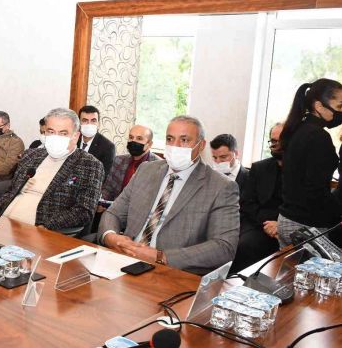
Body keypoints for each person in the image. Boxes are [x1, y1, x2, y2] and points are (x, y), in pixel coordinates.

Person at [97, 115, 240, 275]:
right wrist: (111, 237)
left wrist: (161, 257)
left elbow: (224, 247)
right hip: (125, 259)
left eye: (184, 140)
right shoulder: (146, 170)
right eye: (170, 139)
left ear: (201, 145)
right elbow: (113, 213)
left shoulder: (221, 187)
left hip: (171, 271)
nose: (175, 146)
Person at [0, 108, 104, 232]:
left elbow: (84, 211)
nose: (56, 137)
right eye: (51, 131)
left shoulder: (90, 165)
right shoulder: (30, 155)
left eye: (63, 133)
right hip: (2, 222)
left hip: (39, 230)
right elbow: (11, 192)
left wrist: (46, 226)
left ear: (75, 136)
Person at [277, 79, 342, 247]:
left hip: (287, 220)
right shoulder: (318, 136)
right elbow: (315, 190)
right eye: (340, 106)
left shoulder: (297, 129)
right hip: (306, 225)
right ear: (319, 106)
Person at [232, 123, 284, 272]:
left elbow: (302, 208)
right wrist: (267, 223)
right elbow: (246, 203)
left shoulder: (303, 172)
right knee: (242, 245)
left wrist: (280, 225)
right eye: (273, 141)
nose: (275, 145)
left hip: (285, 226)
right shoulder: (259, 168)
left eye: (280, 140)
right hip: (257, 223)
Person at [103, 125, 161, 201]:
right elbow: (108, 188)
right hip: (113, 205)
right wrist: (103, 202)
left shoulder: (159, 167)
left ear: (149, 144)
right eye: (131, 137)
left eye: (139, 138)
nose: (133, 141)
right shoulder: (118, 160)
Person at [77, 105, 115, 177]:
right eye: (85, 120)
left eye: (93, 121)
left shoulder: (108, 147)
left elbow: (103, 176)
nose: (89, 124)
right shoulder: (72, 140)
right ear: (79, 123)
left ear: (98, 124)